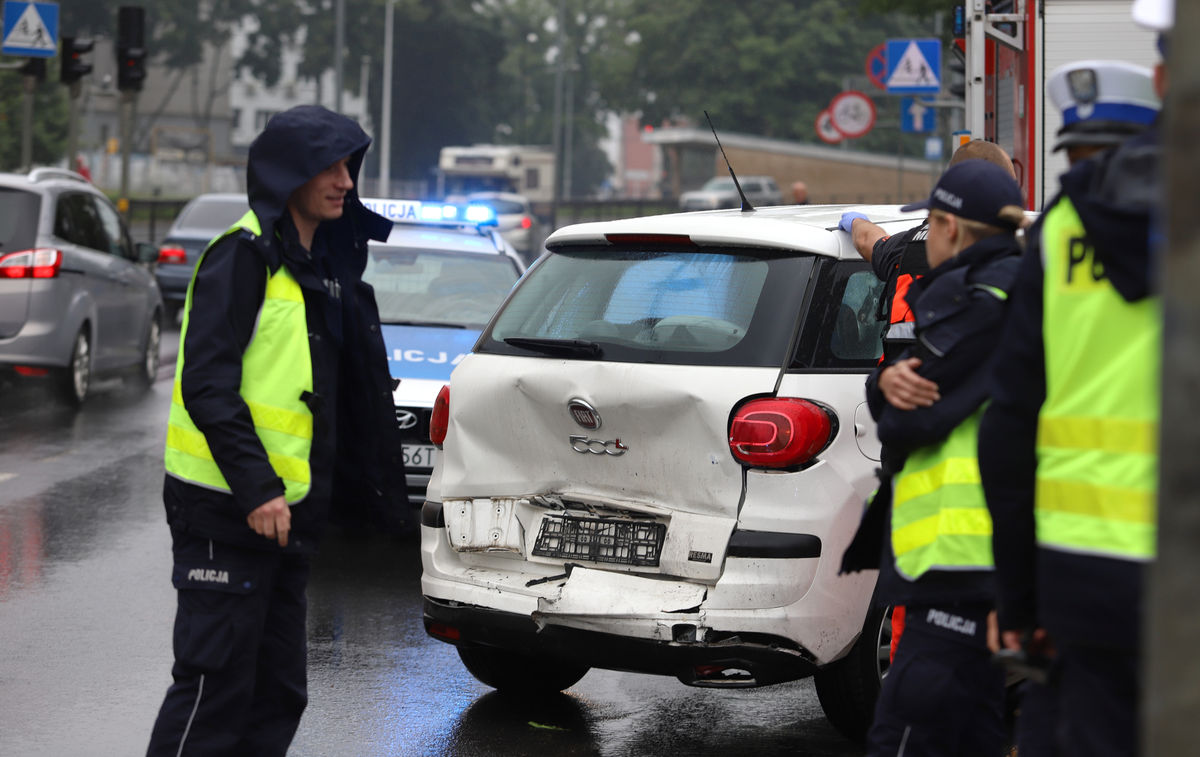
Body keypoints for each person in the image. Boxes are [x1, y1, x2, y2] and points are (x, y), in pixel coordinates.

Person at [147, 105, 409, 756]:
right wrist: (259, 487)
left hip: (285, 523)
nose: (346, 180)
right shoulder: (242, 256)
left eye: (350, 164)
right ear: (288, 172)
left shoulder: (318, 267)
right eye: (330, 164)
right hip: (226, 514)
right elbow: (207, 384)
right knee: (214, 692)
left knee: (277, 693)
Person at [977, 1, 1169, 753]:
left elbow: (1011, 424)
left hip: (1085, 579)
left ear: (1164, 75)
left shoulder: (1060, 227)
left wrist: (1020, 600)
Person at [840, 160, 1028, 756]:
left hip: (960, 566)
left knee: (907, 734)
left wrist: (886, 388)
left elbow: (909, 417)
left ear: (946, 224)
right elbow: (900, 389)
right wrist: (889, 384)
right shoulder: (1017, 285)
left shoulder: (985, 300)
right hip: (973, 568)